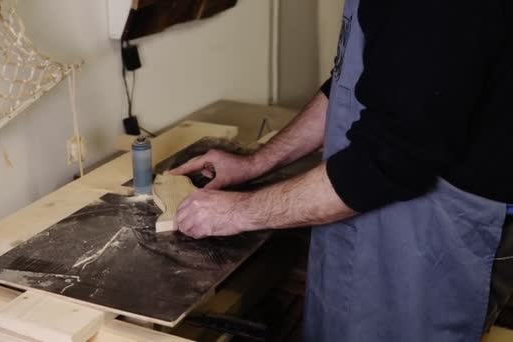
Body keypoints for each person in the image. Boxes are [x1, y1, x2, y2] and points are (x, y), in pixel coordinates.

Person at [170, 0, 513, 341]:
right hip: (371, 225)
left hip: (434, 247)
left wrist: (241, 211)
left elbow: (391, 158)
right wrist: (256, 162)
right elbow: (354, 84)